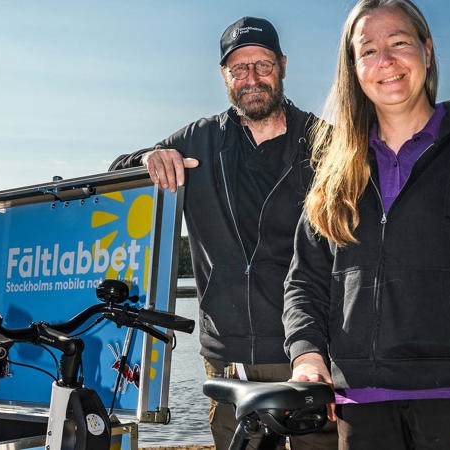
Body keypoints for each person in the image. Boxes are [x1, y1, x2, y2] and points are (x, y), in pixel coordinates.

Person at [282, 1, 450, 449]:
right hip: (360, 405)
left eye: (399, 43)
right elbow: (305, 282)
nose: (385, 61)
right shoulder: (336, 166)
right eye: (368, 50)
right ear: (352, 68)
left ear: (427, 51)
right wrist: (307, 355)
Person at [110, 16, 337, 450]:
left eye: (263, 65)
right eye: (239, 69)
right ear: (224, 75)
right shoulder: (198, 140)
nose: (251, 79)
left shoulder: (325, 145)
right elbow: (117, 173)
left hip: (312, 356)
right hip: (227, 359)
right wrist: (147, 158)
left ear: (283, 66)